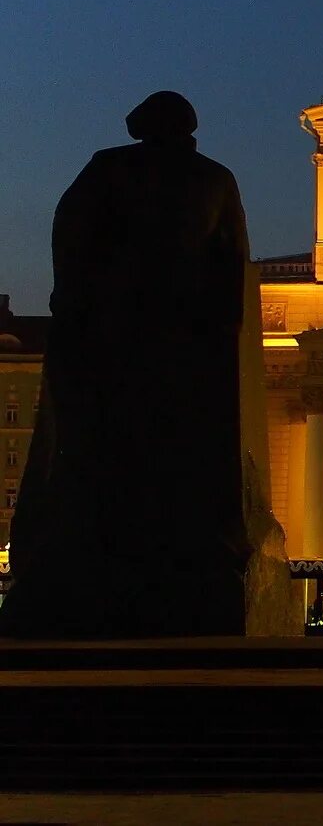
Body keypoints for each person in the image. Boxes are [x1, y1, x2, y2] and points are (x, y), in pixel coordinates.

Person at [0, 91, 250, 639]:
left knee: (104, 448)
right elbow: (234, 264)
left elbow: (67, 235)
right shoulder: (215, 178)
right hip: (181, 343)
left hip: (117, 335)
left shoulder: (110, 168)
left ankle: (97, 552)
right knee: (171, 455)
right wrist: (221, 333)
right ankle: (174, 559)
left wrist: (73, 301)